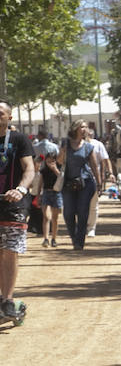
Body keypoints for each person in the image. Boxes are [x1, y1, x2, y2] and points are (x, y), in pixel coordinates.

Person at [0, 103, 35, 320]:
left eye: (0, 113)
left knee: (9, 251)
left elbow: (29, 169)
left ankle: (8, 300)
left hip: (12, 204)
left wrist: (20, 189)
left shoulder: (19, 140)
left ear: (9, 116)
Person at [57, 123, 98, 251]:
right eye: (82, 126)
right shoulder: (66, 144)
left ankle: (79, 241)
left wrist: (100, 183)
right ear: (75, 128)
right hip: (68, 182)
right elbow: (58, 161)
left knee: (82, 212)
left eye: (85, 127)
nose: (84, 129)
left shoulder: (88, 147)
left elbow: (94, 166)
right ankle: (74, 237)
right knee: (68, 213)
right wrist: (63, 152)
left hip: (85, 183)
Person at [84, 121, 111, 237]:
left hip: (93, 177)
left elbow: (105, 159)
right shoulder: (76, 145)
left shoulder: (98, 144)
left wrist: (108, 173)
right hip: (79, 178)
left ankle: (91, 227)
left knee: (93, 204)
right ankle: (83, 225)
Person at [38, 149, 62, 247]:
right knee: (46, 217)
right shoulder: (43, 170)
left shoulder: (59, 169)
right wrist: (38, 195)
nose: (50, 163)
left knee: (55, 218)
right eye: (48, 161)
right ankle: (46, 238)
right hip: (46, 193)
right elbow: (40, 182)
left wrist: (55, 169)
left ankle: (54, 238)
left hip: (56, 193)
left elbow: (61, 177)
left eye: (52, 161)